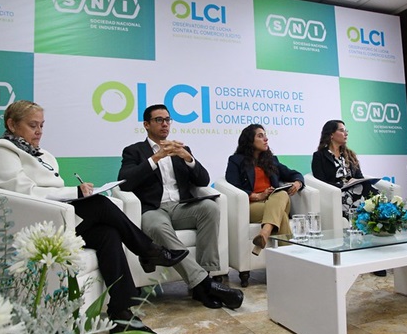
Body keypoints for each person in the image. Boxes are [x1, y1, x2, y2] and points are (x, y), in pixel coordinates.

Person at [0, 100, 189, 334]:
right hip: (29, 223)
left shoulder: (42, 154)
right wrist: (75, 192)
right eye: (32, 125)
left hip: (55, 216)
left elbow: (50, 189)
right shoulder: (1, 150)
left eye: (41, 125)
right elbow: (23, 192)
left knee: (108, 234)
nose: (39, 131)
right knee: (100, 205)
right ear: (12, 124)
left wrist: (78, 191)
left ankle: (122, 312)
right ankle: (148, 250)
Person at [118, 104, 243, 310]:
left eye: (167, 119)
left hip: (181, 207)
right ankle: (204, 286)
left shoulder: (181, 150)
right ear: (146, 124)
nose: (165, 124)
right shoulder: (134, 151)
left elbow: (203, 180)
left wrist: (188, 158)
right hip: (153, 209)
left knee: (210, 208)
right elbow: (125, 182)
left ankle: (206, 274)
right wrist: (156, 158)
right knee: (156, 227)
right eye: (159, 120)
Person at [225, 124, 304, 260]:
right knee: (281, 216)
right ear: (250, 140)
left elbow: (294, 174)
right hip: (253, 205)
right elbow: (233, 185)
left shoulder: (271, 160)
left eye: (265, 136)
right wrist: (257, 196)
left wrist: (298, 183)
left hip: (275, 201)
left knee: (281, 194)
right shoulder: (236, 160)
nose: (266, 139)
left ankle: (264, 233)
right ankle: (291, 261)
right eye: (260, 136)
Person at [311, 120, 379, 221]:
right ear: (331, 134)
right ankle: (357, 222)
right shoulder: (319, 156)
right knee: (350, 195)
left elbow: (359, 176)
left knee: (371, 189)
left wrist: (354, 181)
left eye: (346, 131)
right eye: (342, 130)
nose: (346, 134)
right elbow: (320, 182)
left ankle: (379, 220)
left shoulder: (350, 154)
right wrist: (343, 185)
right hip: (337, 192)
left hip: (355, 189)